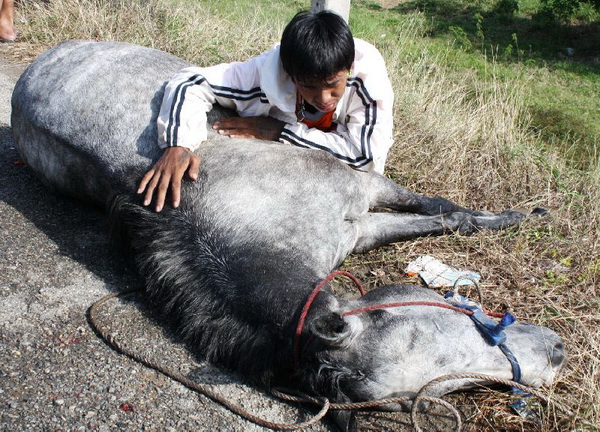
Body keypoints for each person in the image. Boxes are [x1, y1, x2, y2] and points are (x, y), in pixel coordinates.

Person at [138, 10, 394, 212]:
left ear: (349, 67)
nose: (324, 98)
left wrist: (280, 131)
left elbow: (364, 157)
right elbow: (190, 82)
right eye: (309, 87)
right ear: (290, 74)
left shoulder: (368, 80)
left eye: (332, 85)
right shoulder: (266, 72)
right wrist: (179, 144)